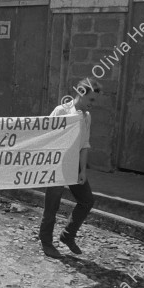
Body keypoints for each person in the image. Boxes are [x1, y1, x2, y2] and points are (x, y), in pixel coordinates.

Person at [38, 77, 102, 259]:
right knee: (52, 206)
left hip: (74, 165)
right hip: (57, 165)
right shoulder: (61, 111)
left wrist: (82, 171)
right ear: (81, 94)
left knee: (87, 200)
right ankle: (46, 242)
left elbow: (84, 145)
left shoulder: (87, 117)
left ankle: (68, 235)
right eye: (91, 100)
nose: (92, 104)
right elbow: (45, 133)